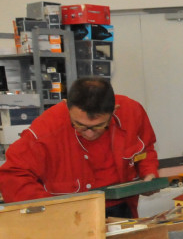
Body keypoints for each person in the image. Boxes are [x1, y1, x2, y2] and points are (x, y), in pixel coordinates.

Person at [0, 78, 158, 218]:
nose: (89, 133)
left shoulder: (132, 113)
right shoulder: (46, 129)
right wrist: (50, 211)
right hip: (68, 213)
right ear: (67, 108)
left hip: (122, 207)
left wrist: (149, 173)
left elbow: (145, 149)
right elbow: (13, 175)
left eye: (98, 126)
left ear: (114, 110)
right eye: (80, 125)